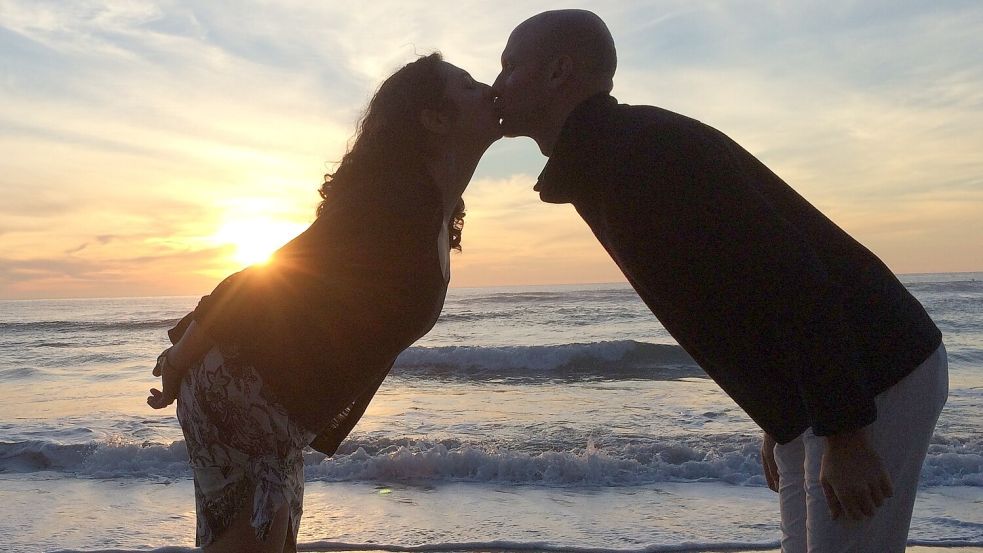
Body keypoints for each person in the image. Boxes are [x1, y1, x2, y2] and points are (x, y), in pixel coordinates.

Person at [491, 9, 947, 552]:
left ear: (559, 71)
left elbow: (790, 273)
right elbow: (738, 293)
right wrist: (778, 411)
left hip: (878, 373)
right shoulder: (606, 156)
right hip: (824, 389)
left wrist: (845, 431)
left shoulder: (642, 151)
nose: (496, 84)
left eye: (510, 65)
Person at [147, 53, 501, 553]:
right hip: (240, 387)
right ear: (434, 118)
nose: (488, 89)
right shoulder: (391, 205)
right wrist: (179, 359)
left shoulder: (433, 211)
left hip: (277, 406)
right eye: (468, 86)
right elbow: (264, 278)